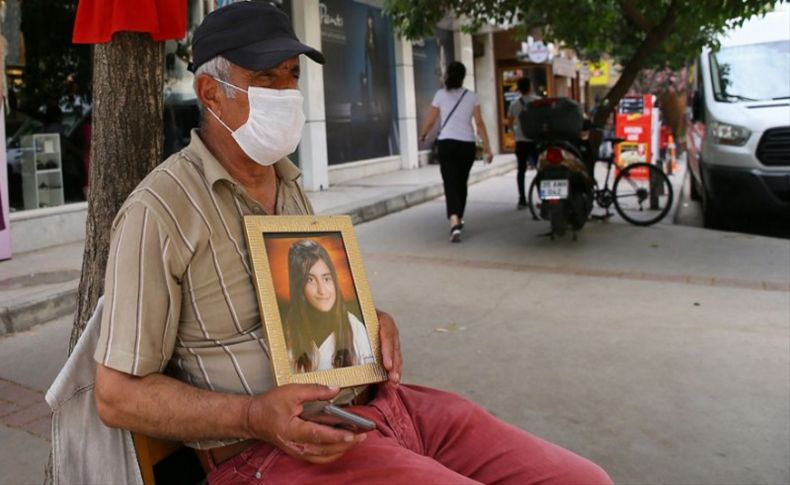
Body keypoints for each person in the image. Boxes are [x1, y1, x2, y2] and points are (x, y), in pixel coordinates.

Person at [92, 2, 612, 484]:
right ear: (211, 94)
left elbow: (309, 312)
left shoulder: (289, 183)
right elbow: (116, 397)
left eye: (291, 76)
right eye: (265, 78)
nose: (286, 92)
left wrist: (368, 320)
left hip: (379, 409)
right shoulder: (158, 211)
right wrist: (253, 415)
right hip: (270, 451)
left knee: (583, 479)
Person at [418, 61, 493, 243]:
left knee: (450, 182)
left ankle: (454, 221)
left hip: (447, 144)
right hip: (466, 145)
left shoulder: (440, 95)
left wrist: (423, 134)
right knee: (461, 182)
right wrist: (487, 147)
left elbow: (431, 119)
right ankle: (458, 217)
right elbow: (480, 123)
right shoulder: (471, 96)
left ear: (448, 75)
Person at [285, 239, 374, 373]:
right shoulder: (288, 333)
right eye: (310, 280)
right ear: (298, 286)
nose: (322, 290)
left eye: (326, 278)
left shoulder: (354, 328)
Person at [506, 77, 540, 210]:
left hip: (521, 141)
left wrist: (515, 133)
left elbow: (509, 122)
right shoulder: (537, 101)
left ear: (519, 89)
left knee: (521, 170)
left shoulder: (514, 104)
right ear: (530, 87)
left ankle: (522, 199)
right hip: (535, 141)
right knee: (540, 170)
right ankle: (543, 198)